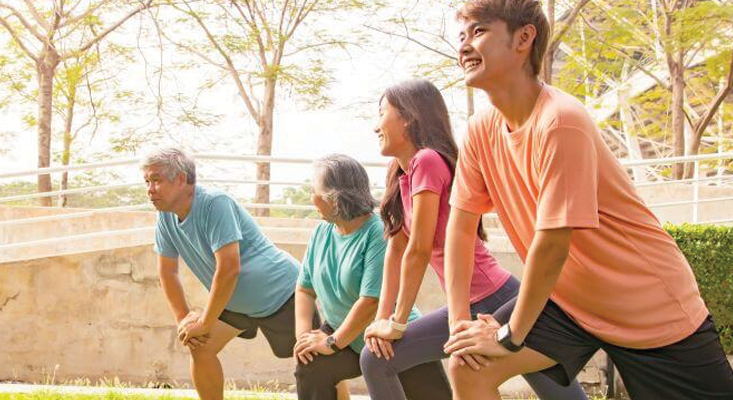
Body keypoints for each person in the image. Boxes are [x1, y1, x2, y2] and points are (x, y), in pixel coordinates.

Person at [443, 1, 733, 400]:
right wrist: (460, 326)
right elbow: (459, 228)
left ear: (523, 38)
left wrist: (510, 337)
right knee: (469, 367)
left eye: (477, 32)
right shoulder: (479, 130)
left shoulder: (561, 121)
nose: (464, 47)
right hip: (567, 302)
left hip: (647, 308)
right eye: (461, 37)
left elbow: (552, 243)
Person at [359, 79, 588, 400]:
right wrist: (381, 320)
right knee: (375, 357)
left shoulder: (428, 161)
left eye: (383, 112)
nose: (375, 125)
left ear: (408, 117)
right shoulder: (400, 175)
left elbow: (419, 249)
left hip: (499, 298)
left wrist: (397, 323)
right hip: (464, 307)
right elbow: (396, 249)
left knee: (562, 396)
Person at [143, 147, 313, 400]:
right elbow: (167, 273)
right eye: (147, 181)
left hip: (283, 292)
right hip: (233, 301)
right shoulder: (165, 219)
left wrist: (205, 322)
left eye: (156, 180)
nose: (149, 189)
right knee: (200, 348)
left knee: (316, 362)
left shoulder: (214, 203)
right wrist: (185, 320)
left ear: (180, 180)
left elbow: (229, 268)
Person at [293, 154, 447, 400]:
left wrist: (332, 343)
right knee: (311, 365)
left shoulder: (378, 233)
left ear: (336, 197)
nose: (312, 198)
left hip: (391, 339)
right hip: (344, 334)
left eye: (316, 191)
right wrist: (304, 339)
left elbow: (370, 301)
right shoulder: (321, 232)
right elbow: (304, 289)